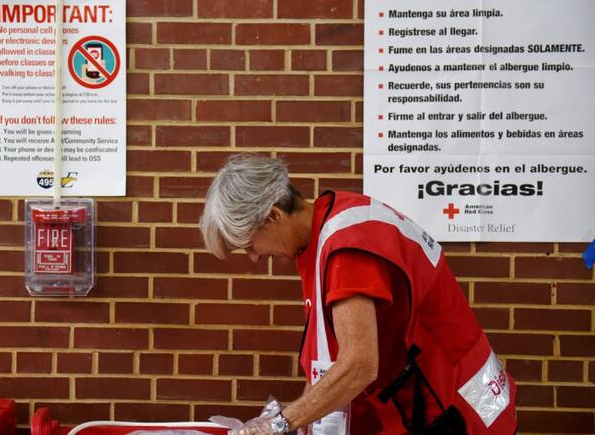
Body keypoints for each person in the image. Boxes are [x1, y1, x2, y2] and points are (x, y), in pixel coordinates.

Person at [199, 154, 517, 435]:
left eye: (249, 244)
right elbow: (330, 359)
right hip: (443, 402)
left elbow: (359, 365)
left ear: (273, 217)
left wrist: (282, 423)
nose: (254, 257)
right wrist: (301, 415)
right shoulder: (328, 229)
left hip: (455, 412)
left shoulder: (345, 249)